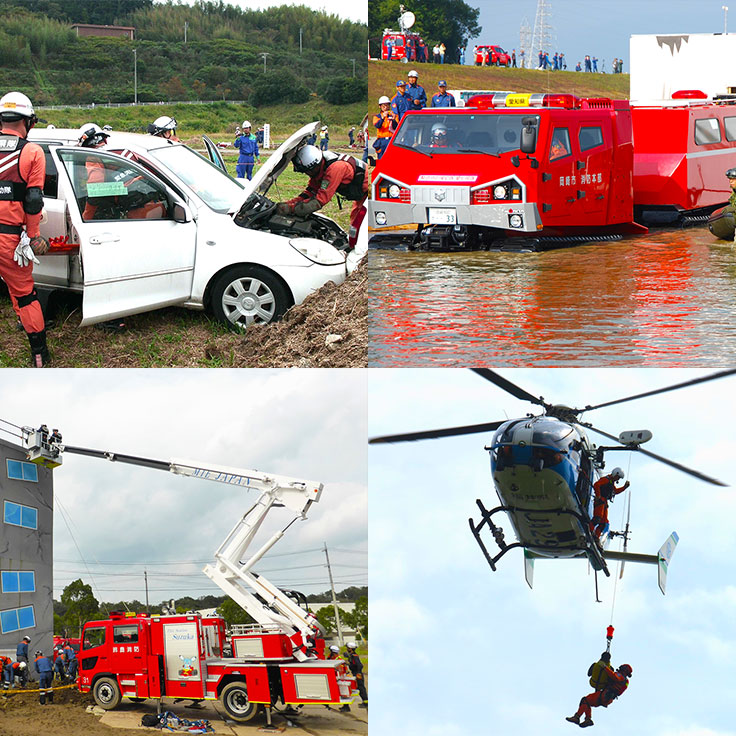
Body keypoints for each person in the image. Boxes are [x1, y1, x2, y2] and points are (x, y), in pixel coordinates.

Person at [0, 92, 50, 367]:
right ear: (29, 121)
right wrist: (33, 237)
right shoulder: (31, 152)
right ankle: (39, 353)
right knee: (25, 293)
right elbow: (33, 200)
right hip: (7, 238)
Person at [276, 145, 368, 250]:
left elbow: (319, 200)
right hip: (361, 196)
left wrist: (292, 209)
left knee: (360, 229)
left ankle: (359, 255)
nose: (307, 174)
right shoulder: (320, 166)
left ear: (313, 167)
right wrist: (288, 204)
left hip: (370, 193)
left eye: (307, 171)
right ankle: (354, 246)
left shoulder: (335, 169)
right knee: (355, 228)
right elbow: (310, 192)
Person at [566, 663, 632, 728]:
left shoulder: (620, 676)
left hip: (605, 694)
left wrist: (605, 667)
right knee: (587, 702)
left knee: (585, 700)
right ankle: (587, 719)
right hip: (608, 697)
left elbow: (614, 677)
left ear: (624, 669)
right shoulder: (625, 681)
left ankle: (577, 717)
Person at [590, 468, 629, 540]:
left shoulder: (611, 482)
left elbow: (615, 491)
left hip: (604, 503)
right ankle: (590, 531)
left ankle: (596, 537)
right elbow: (596, 484)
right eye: (618, 477)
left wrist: (624, 487)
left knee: (603, 523)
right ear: (615, 473)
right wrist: (598, 495)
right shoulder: (606, 479)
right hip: (600, 501)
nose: (618, 479)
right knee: (597, 519)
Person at [344, 642, 367, 707]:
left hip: (357, 673)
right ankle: (365, 702)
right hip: (355, 673)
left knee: (361, 688)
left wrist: (358, 673)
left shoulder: (354, 656)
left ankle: (366, 703)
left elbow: (359, 665)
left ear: (350, 649)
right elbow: (353, 664)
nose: (347, 649)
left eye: (348, 648)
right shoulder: (352, 655)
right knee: (359, 688)